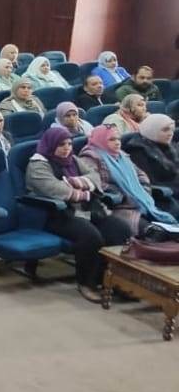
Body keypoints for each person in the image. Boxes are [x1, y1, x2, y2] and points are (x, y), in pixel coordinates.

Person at [26, 127, 133, 302]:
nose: (67, 148)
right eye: (61, 144)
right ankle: (87, 283)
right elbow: (56, 189)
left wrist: (76, 182)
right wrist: (84, 187)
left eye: (69, 144)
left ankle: (111, 279)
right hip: (57, 214)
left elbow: (95, 176)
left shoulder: (73, 159)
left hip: (86, 209)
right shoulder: (38, 165)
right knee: (91, 236)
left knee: (121, 229)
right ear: (51, 144)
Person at [79, 125, 175, 235]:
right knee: (153, 231)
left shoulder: (122, 155)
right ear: (100, 140)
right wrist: (126, 195)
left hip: (140, 200)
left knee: (170, 215)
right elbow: (97, 183)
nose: (117, 143)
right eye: (112, 139)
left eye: (118, 139)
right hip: (116, 205)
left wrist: (143, 191)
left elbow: (140, 174)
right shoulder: (90, 157)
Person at [125, 114, 179, 194]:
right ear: (152, 130)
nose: (170, 133)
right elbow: (151, 183)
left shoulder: (169, 144)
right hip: (166, 193)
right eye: (165, 130)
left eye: (172, 130)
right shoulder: (137, 151)